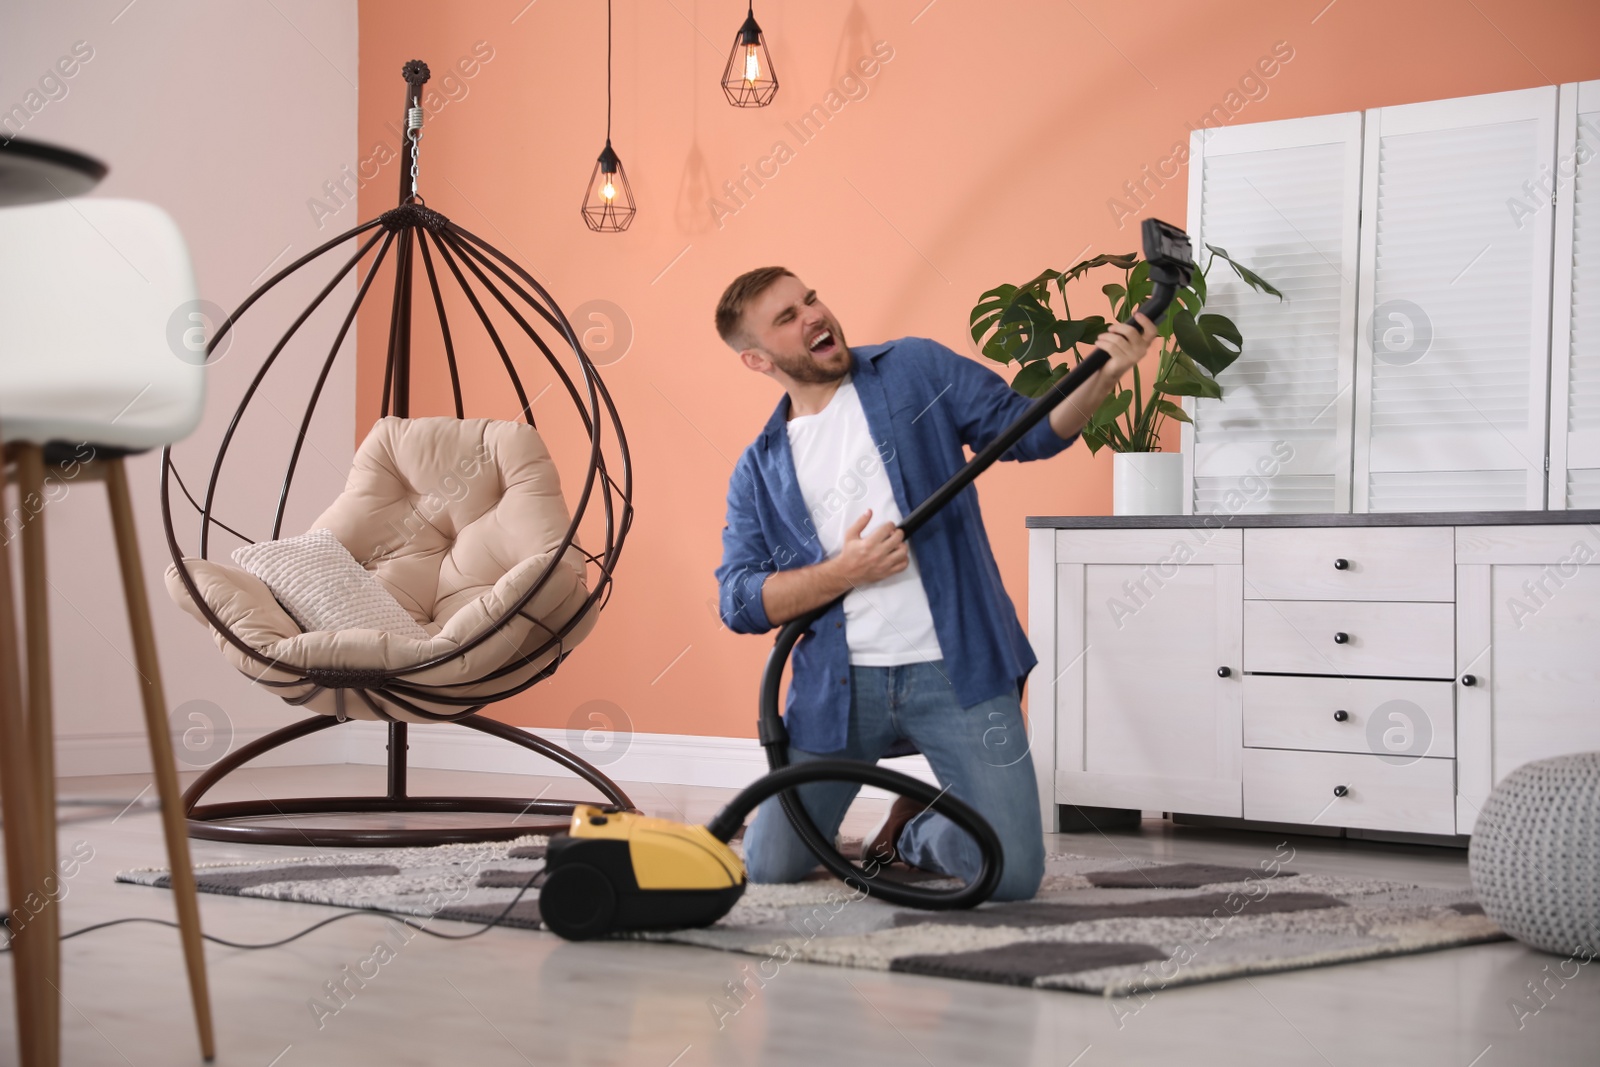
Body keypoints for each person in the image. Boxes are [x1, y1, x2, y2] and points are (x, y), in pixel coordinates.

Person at [712, 267, 1158, 901]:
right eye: (786, 317)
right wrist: (845, 572)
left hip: (958, 668)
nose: (812, 315)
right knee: (772, 867)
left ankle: (915, 834)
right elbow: (738, 599)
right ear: (757, 359)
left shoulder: (914, 370)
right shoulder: (759, 468)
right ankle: (857, 823)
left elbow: (1028, 433)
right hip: (838, 689)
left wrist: (1106, 375)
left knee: (1012, 877)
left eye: (810, 298)